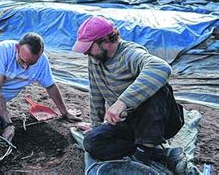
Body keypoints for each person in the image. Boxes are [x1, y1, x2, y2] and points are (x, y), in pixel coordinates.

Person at [72, 16, 185, 171]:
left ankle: (144, 151)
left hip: (157, 122)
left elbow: (162, 68)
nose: (86, 53)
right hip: (128, 122)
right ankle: (159, 154)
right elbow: (95, 92)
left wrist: (122, 102)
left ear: (105, 40)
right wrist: (96, 126)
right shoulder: (95, 59)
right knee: (92, 142)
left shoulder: (130, 54)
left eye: (89, 48)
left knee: (158, 88)